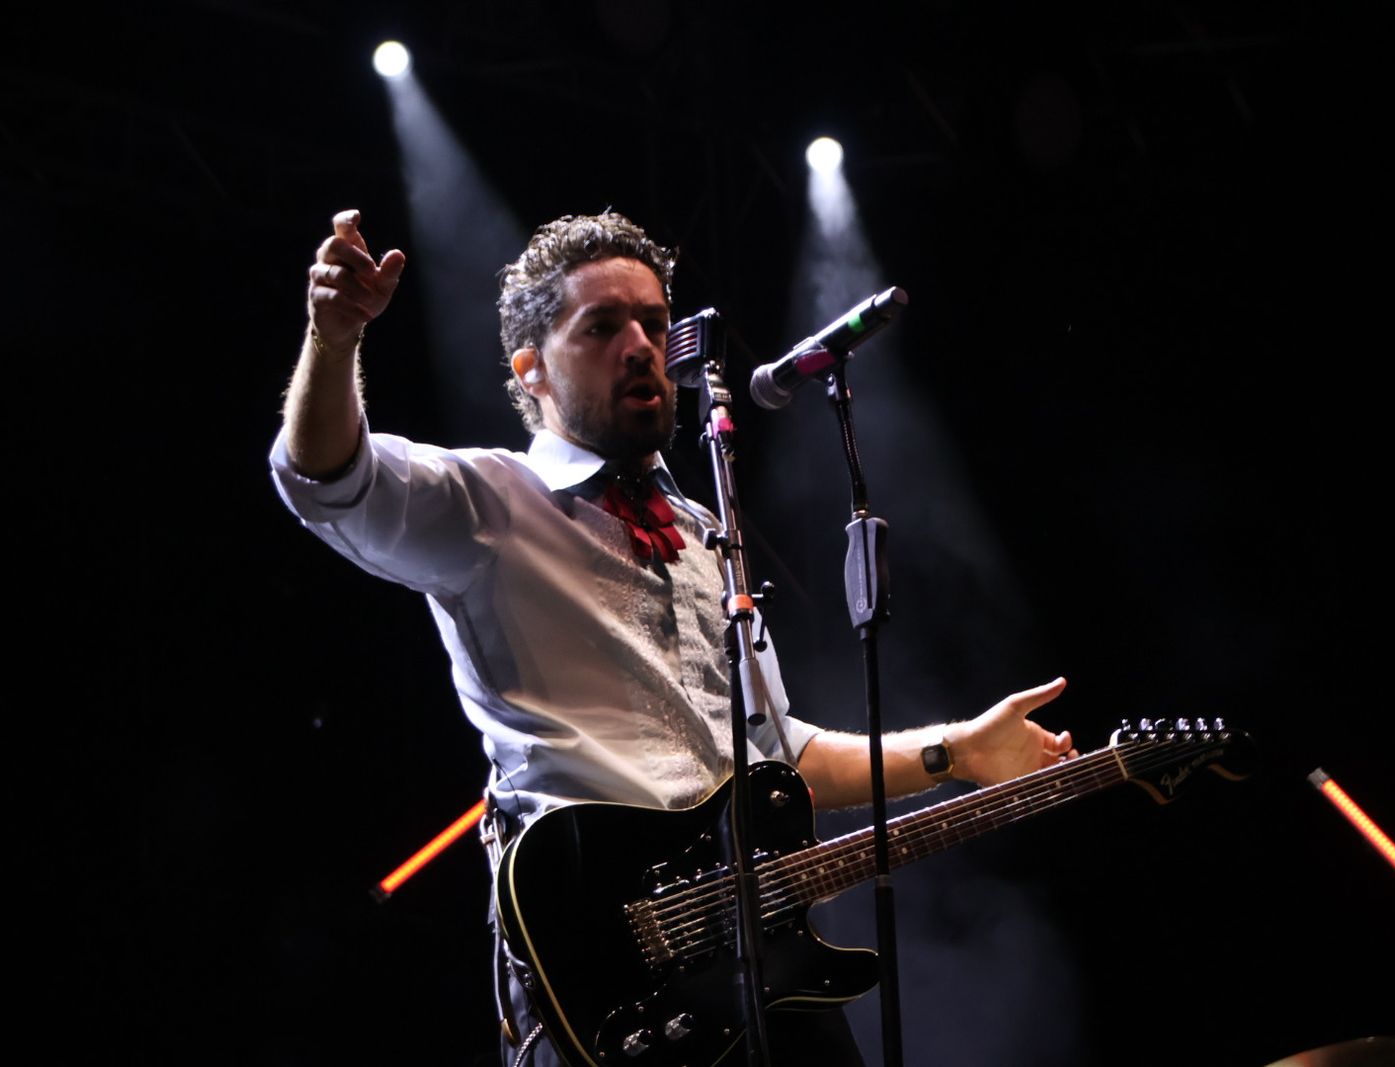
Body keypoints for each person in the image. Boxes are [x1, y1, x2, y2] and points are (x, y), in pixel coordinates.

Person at [270, 208, 1077, 1065]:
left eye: (654, 323)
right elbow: (327, 478)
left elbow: (783, 757)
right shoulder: (487, 502)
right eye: (603, 326)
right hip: (606, 985)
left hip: (753, 969)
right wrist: (334, 338)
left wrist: (958, 750)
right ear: (531, 368)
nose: (641, 346)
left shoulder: (706, 535)